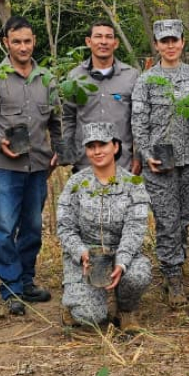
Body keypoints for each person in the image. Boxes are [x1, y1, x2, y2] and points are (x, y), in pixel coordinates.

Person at [0, 15, 62, 315]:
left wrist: (58, 150)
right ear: (6, 43)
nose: (23, 47)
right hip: (4, 167)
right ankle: (10, 288)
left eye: (27, 41)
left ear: (34, 41)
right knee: (3, 228)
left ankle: (26, 281)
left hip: (37, 165)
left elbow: (57, 120)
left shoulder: (48, 79)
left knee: (33, 228)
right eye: (16, 42)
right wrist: (1, 142)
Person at [130, 18, 189, 305]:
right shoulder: (146, 79)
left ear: (182, 42)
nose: (170, 45)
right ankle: (172, 273)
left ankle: (175, 258)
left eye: (174, 40)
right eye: (164, 41)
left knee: (186, 216)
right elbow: (138, 123)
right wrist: (145, 153)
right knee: (166, 219)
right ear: (156, 44)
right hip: (159, 161)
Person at [56, 122, 153, 331]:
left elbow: (135, 229)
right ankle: (72, 304)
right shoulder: (76, 183)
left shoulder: (133, 184)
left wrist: (123, 262)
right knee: (90, 316)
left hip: (121, 251)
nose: (97, 151)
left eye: (103, 144)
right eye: (91, 146)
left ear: (115, 147)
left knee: (138, 275)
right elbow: (65, 227)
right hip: (87, 256)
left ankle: (125, 311)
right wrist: (81, 253)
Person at [59, 20, 141, 173]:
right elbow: (69, 117)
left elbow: (138, 121)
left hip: (122, 163)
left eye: (109, 37)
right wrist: (67, 151)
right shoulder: (75, 77)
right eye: (98, 36)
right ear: (89, 41)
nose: (103, 42)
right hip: (85, 163)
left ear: (115, 43)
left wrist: (138, 155)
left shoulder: (131, 76)